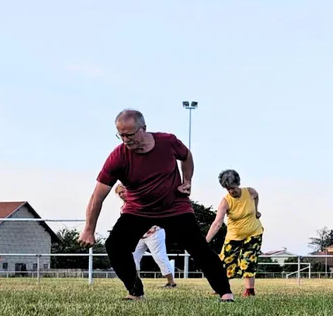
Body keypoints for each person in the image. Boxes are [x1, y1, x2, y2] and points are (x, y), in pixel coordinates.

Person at [79, 109, 234, 302]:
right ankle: (135, 292)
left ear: (143, 128)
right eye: (121, 135)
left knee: (198, 247)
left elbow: (186, 156)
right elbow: (97, 196)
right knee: (115, 245)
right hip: (138, 210)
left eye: (130, 134)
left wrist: (187, 180)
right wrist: (89, 229)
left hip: (174, 207)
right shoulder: (118, 157)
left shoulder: (167, 142)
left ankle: (225, 293)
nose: (126, 140)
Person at [206, 169, 264, 297]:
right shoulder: (226, 201)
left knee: (248, 260)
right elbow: (217, 223)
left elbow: (256, 196)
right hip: (234, 236)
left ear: (238, 183)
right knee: (225, 261)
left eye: (233, 188)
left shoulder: (250, 192)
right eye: (228, 189)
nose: (231, 191)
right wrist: (205, 241)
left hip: (253, 233)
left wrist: (256, 210)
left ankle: (250, 291)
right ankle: (221, 287)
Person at [115, 184, 177, 289]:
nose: (121, 195)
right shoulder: (123, 208)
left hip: (154, 232)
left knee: (159, 257)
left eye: (123, 191)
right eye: (119, 193)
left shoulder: (142, 201)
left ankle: (171, 282)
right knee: (132, 257)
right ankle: (135, 282)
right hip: (139, 236)